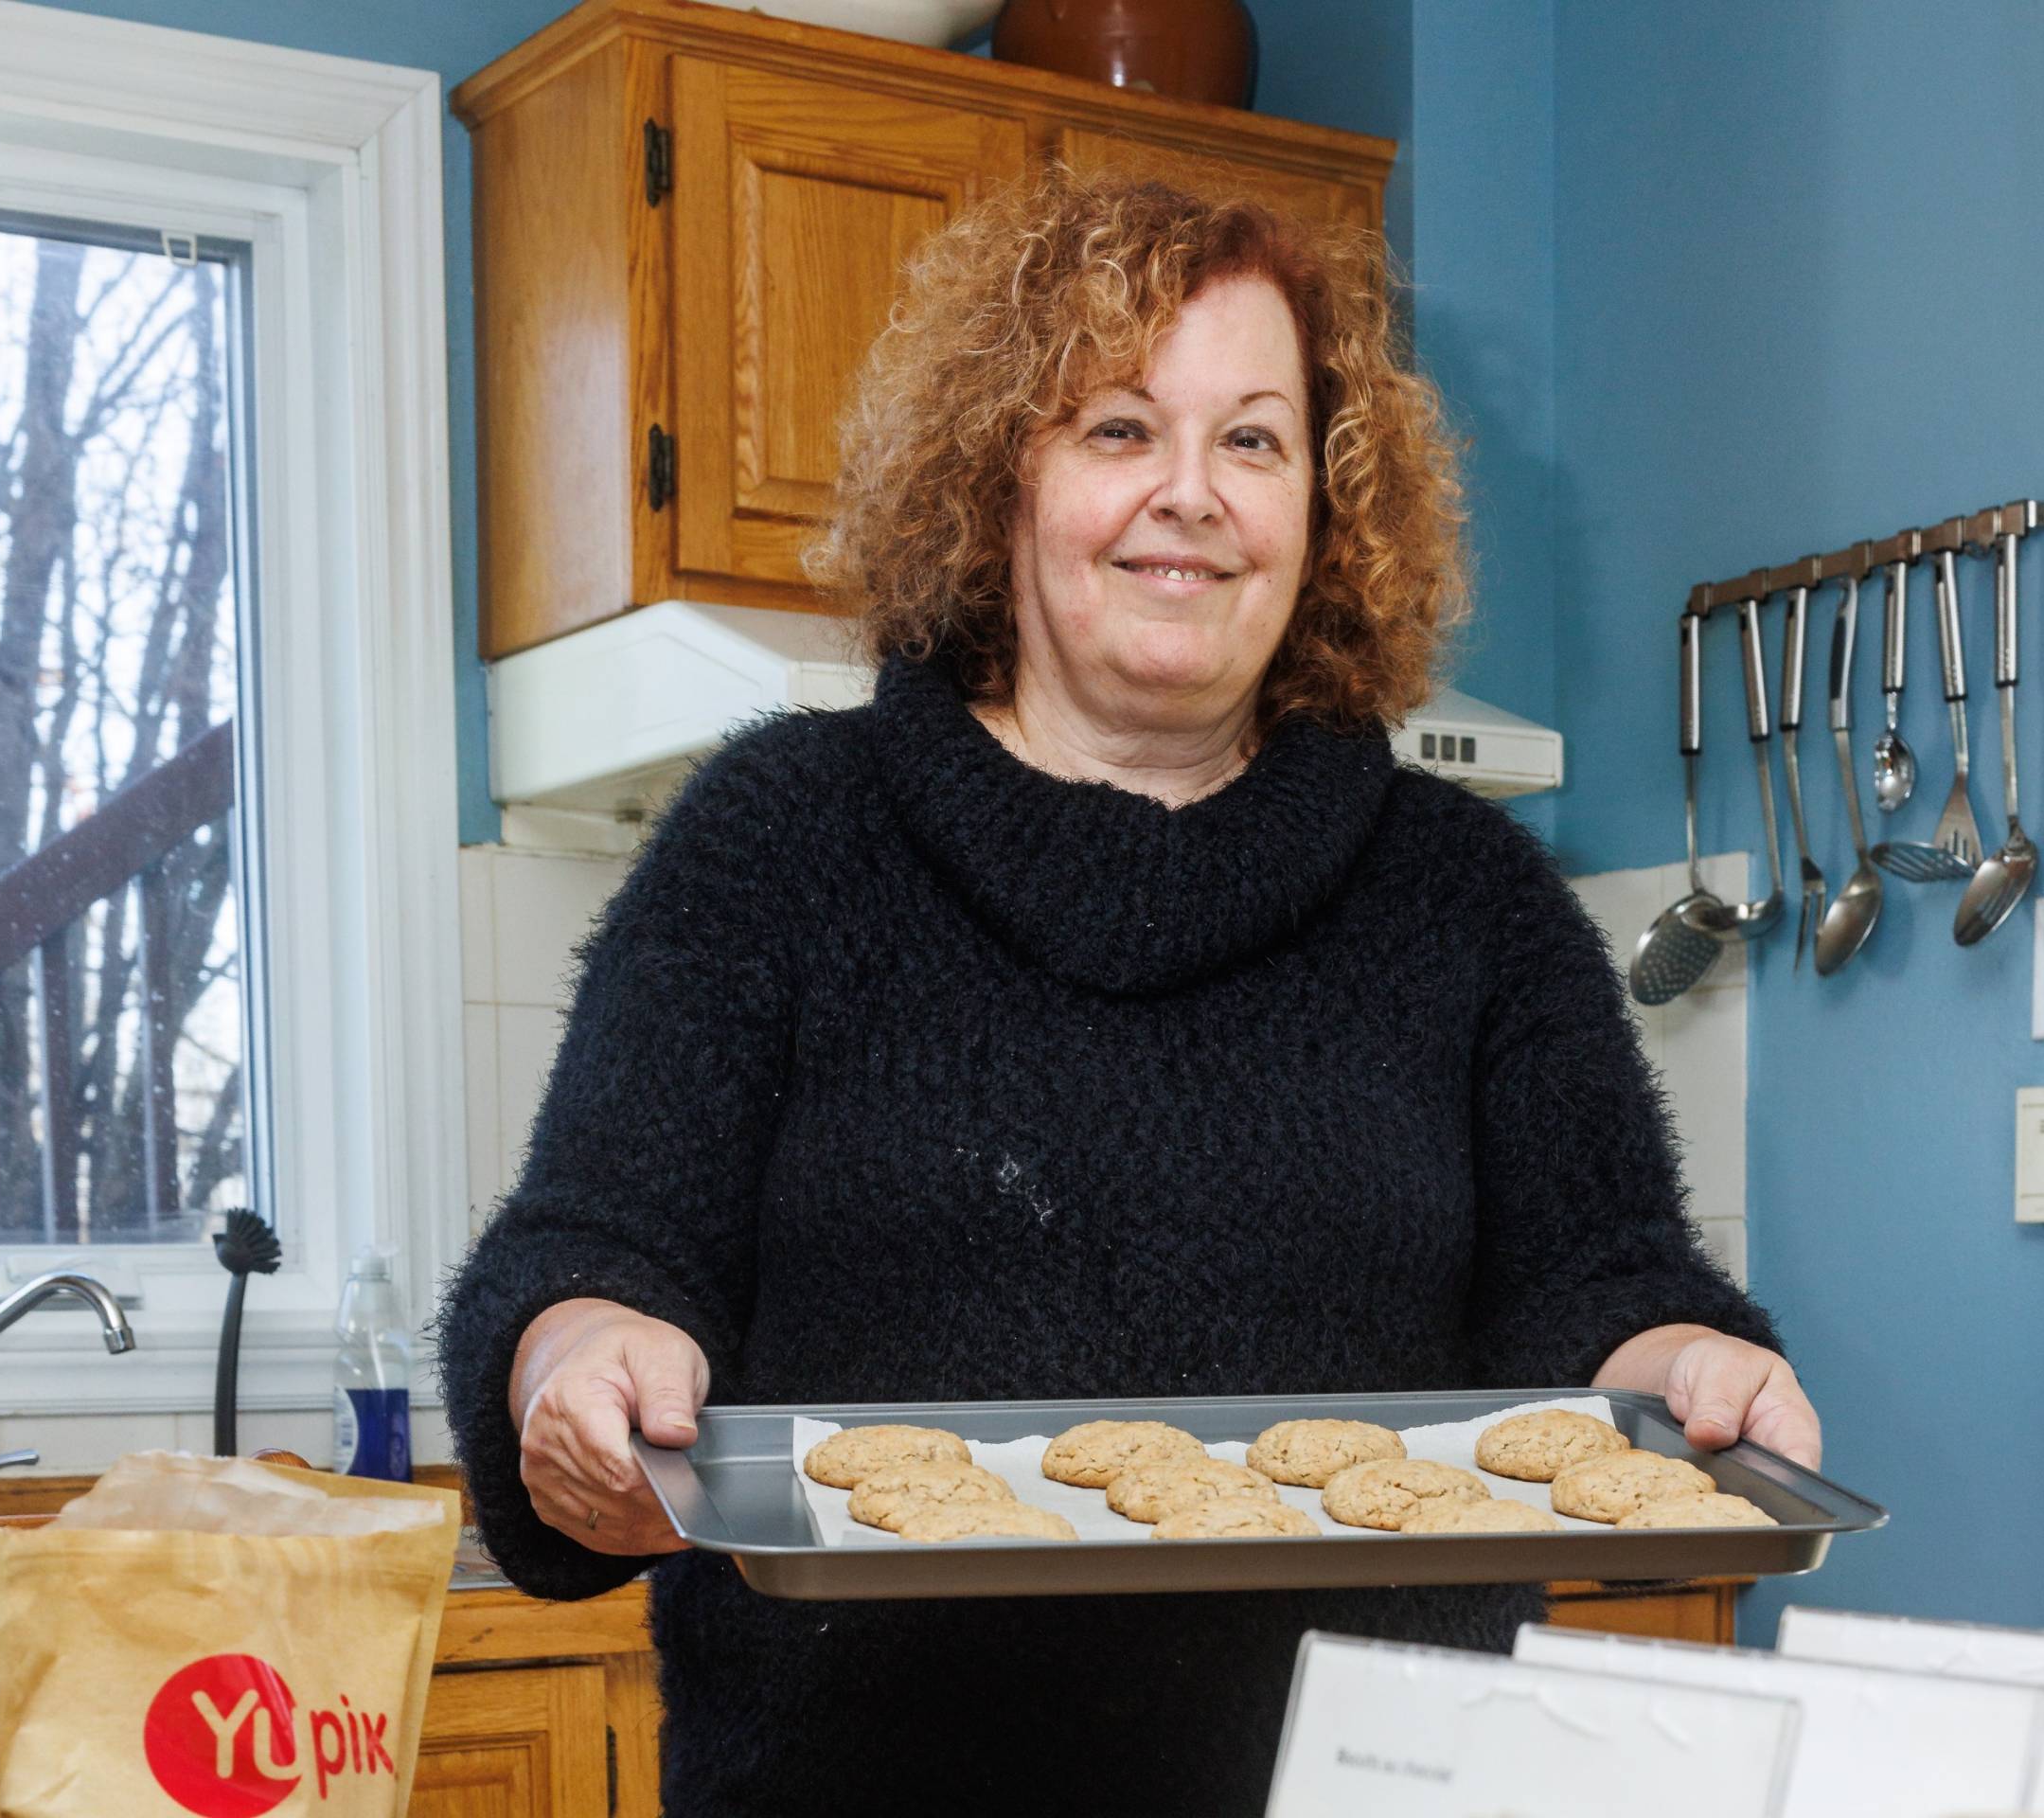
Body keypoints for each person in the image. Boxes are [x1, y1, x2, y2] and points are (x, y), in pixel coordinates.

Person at [437, 167, 1819, 1815]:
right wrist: (578, 1357)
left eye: (1255, 440)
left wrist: (1697, 1367)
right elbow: (598, 1243)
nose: (1193, 494)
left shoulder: (1469, 898)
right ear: (997, 479)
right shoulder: (780, 841)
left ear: (1327, 509)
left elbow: (1597, 1284)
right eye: (1117, 428)